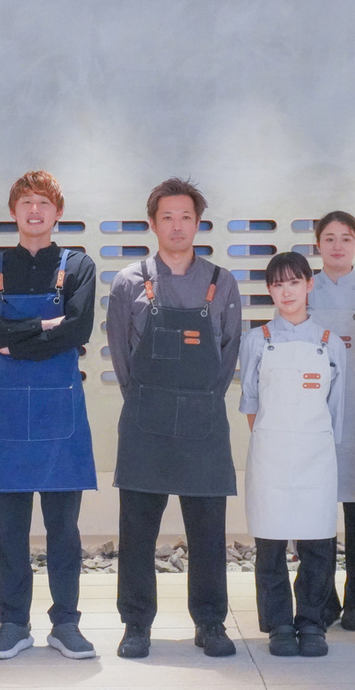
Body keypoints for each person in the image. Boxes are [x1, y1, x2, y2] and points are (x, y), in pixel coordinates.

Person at [107, 177, 243, 659]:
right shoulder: (128, 282)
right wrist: (151, 399)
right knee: (137, 531)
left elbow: (228, 354)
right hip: (145, 421)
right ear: (153, 224)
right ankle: (136, 624)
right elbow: (121, 357)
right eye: (167, 217)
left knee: (207, 531)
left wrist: (197, 400)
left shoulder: (221, 281)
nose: (177, 226)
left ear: (198, 223)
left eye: (186, 217)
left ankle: (210, 622)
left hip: (204, 423)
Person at [0, 171, 98, 660]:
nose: (35, 210)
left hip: (60, 415)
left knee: (64, 531)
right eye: (26, 202)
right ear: (13, 212)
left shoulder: (78, 265)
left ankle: (66, 623)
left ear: (58, 212)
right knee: (9, 532)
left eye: (44, 202)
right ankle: (13, 623)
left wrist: (13, 338)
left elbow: (77, 330)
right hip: (6, 418)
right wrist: (45, 324)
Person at [238, 251, 346, 658]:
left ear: (309, 285)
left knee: (318, 542)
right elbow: (250, 403)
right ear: (269, 290)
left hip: (317, 455)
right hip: (271, 455)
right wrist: (274, 439)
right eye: (278, 284)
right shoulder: (256, 341)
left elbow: (336, 408)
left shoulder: (330, 343)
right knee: (270, 542)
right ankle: (279, 624)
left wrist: (310, 441)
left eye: (294, 282)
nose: (287, 292)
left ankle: (312, 623)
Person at [308, 211, 355, 633]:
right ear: (317, 245)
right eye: (329, 238)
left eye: (345, 238)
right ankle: (321, 598)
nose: (337, 246)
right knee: (316, 508)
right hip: (314, 410)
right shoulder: (305, 288)